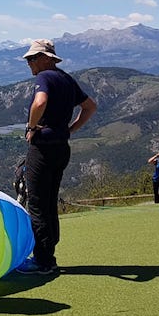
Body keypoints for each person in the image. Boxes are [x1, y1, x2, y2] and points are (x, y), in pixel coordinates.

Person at [16, 39, 97, 275]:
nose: (29, 63)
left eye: (32, 59)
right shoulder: (66, 78)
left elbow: (40, 102)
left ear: (45, 58)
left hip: (42, 147)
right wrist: (70, 129)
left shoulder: (44, 78)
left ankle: (43, 260)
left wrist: (31, 128)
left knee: (38, 203)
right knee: (50, 201)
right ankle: (48, 254)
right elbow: (90, 107)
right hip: (62, 146)